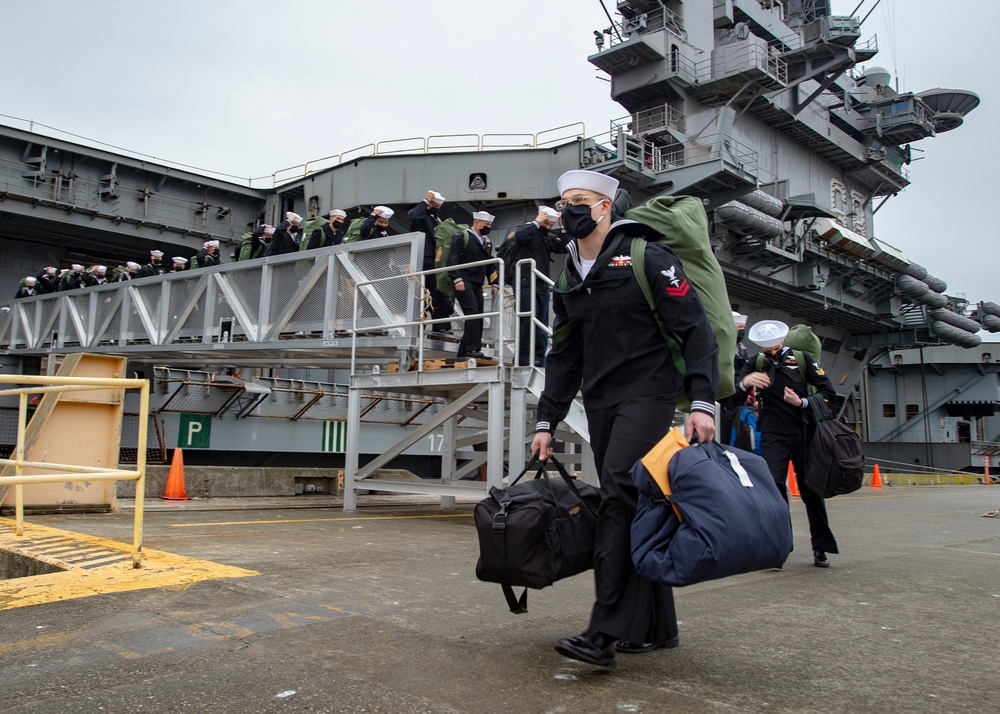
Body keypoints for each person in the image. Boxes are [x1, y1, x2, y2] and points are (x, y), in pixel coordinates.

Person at [529, 169, 719, 669]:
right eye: (564, 199)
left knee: (617, 491)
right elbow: (563, 355)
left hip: (649, 391)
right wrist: (546, 421)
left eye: (581, 200)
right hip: (600, 398)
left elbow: (696, 330)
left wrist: (702, 402)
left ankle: (604, 630)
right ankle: (658, 624)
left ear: (605, 207)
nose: (569, 207)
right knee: (634, 498)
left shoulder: (647, 256)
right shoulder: (569, 273)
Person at [735, 319, 838, 568]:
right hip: (772, 434)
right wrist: (746, 383)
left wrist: (801, 402)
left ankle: (820, 547)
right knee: (774, 491)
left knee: (811, 491)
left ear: (782, 341)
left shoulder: (802, 360)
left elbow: (828, 393)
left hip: (804, 432)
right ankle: (778, 548)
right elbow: (735, 395)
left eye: (774, 348)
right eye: (766, 349)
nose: (771, 353)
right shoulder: (756, 363)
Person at [504, 206, 569, 366]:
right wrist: (537, 222)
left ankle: (539, 357)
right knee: (527, 321)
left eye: (550, 224)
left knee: (541, 320)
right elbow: (520, 237)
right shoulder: (527, 230)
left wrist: (563, 225)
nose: (548, 226)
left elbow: (564, 246)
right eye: (546, 222)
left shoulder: (546, 237)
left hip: (541, 284)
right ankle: (524, 358)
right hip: (525, 281)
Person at [447, 210, 498, 359]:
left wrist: (494, 283)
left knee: (478, 314)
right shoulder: (461, 237)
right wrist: (456, 279)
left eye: (489, 225)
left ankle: (466, 350)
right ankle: (472, 349)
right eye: (486, 224)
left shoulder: (487, 242)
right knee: (472, 311)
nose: (488, 227)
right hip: (463, 279)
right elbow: (452, 260)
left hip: (477, 282)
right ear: (477, 222)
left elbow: (491, 265)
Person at [408, 190, 452, 332]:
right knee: (422, 294)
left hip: (436, 260)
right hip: (423, 259)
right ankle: (418, 327)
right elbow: (413, 215)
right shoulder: (421, 216)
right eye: (434, 205)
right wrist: (426, 200)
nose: (436, 208)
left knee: (438, 293)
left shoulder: (436, 218)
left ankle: (442, 326)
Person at [718, 311, 751, 445]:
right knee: (722, 438)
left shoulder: (741, 348)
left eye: (743, 329)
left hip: (738, 400)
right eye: (739, 328)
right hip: (723, 400)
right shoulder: (721, 346)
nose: (741, 332)